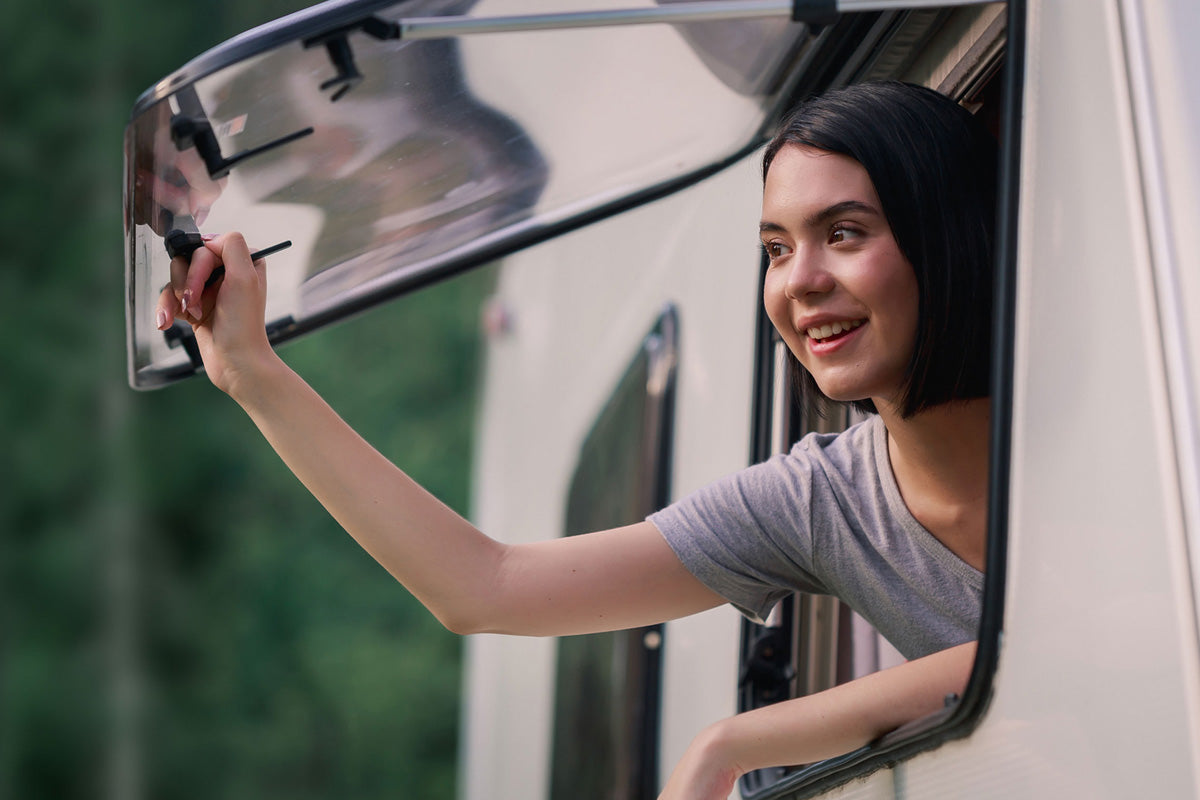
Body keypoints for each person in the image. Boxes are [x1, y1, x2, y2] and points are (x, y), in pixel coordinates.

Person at [154, 80, 997, 800]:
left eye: (844, 234)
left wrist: (736, 743)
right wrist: (253, 374)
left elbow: (1088, 626)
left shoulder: (1102, 385)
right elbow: (483, 587)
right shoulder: (824, 501)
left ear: (942, 236)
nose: (801, 282)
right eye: (777, 249)